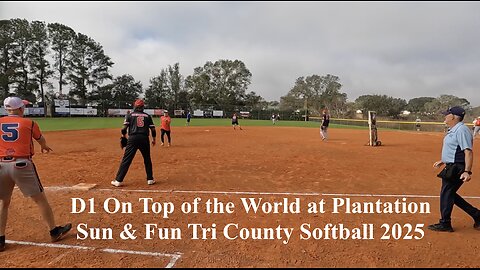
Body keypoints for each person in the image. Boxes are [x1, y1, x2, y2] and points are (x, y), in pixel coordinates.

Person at [0, 96, 72, 252]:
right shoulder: (29, 123)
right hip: (22, 165)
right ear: (19, 109)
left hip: (0, 165)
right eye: (23, 107)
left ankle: (0, 240)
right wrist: (44, 146)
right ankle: (54, 231)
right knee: (40, 200)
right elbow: (40, 139)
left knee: (3, 202)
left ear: (7, 109)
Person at [429, 106, 480, 232]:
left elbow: (467, 152)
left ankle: (445, 223)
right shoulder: (454, 129)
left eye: (447, 114)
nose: (445, 117)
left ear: (453, 117)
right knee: (449, 194)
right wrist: (444, 160)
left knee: (446, 193)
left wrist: (467, 171)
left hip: (457, 167)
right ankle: (477, 215)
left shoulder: (461, 130)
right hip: (452, 165)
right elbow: (454, 149)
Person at [111, 99, 156, 187]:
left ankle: (118, 180)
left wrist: (124, 136)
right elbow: (153, 130)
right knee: (147, 159)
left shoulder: (130, 115)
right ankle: (150, 179)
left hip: (133, 138)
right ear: (143, 107)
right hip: (144, 138)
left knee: (126, 159)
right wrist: (154, 139)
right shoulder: (147, 116)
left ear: (135, 106)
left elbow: (123, 129)